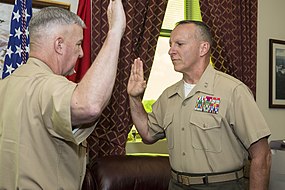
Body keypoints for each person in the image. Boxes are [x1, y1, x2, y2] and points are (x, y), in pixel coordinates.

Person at [127, 20, 271, 190]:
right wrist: (134, 98)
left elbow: (262, 156)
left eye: (179, 44)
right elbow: (148, 134)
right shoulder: (169, 96)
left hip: (221, 186)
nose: (171, 51)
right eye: (170, 44)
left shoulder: (233, 91)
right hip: (176, 185)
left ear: (203, 48)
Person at [0, 0, 126, 189]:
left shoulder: (5, 85)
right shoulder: (47, 85)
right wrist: (115, 31)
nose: (82, 53)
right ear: (59, 44)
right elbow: (89, 105)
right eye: (78, 44)